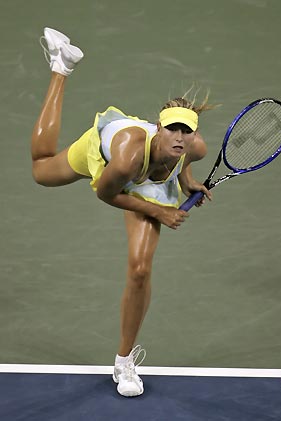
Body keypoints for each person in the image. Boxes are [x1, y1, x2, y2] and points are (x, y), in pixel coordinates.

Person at [32, 27, 213, 397]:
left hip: (147, 179)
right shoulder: (129, 154)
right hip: (109, 162)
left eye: (187, 132)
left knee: (140, 269)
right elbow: (105, 193)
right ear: (159, 128)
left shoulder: (194, 149)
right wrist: (160, 214)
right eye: (173, 130)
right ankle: (60, 66)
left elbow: (185, 161)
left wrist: (186, 182)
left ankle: (124, 361)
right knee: (40, 169)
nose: (180, 138)